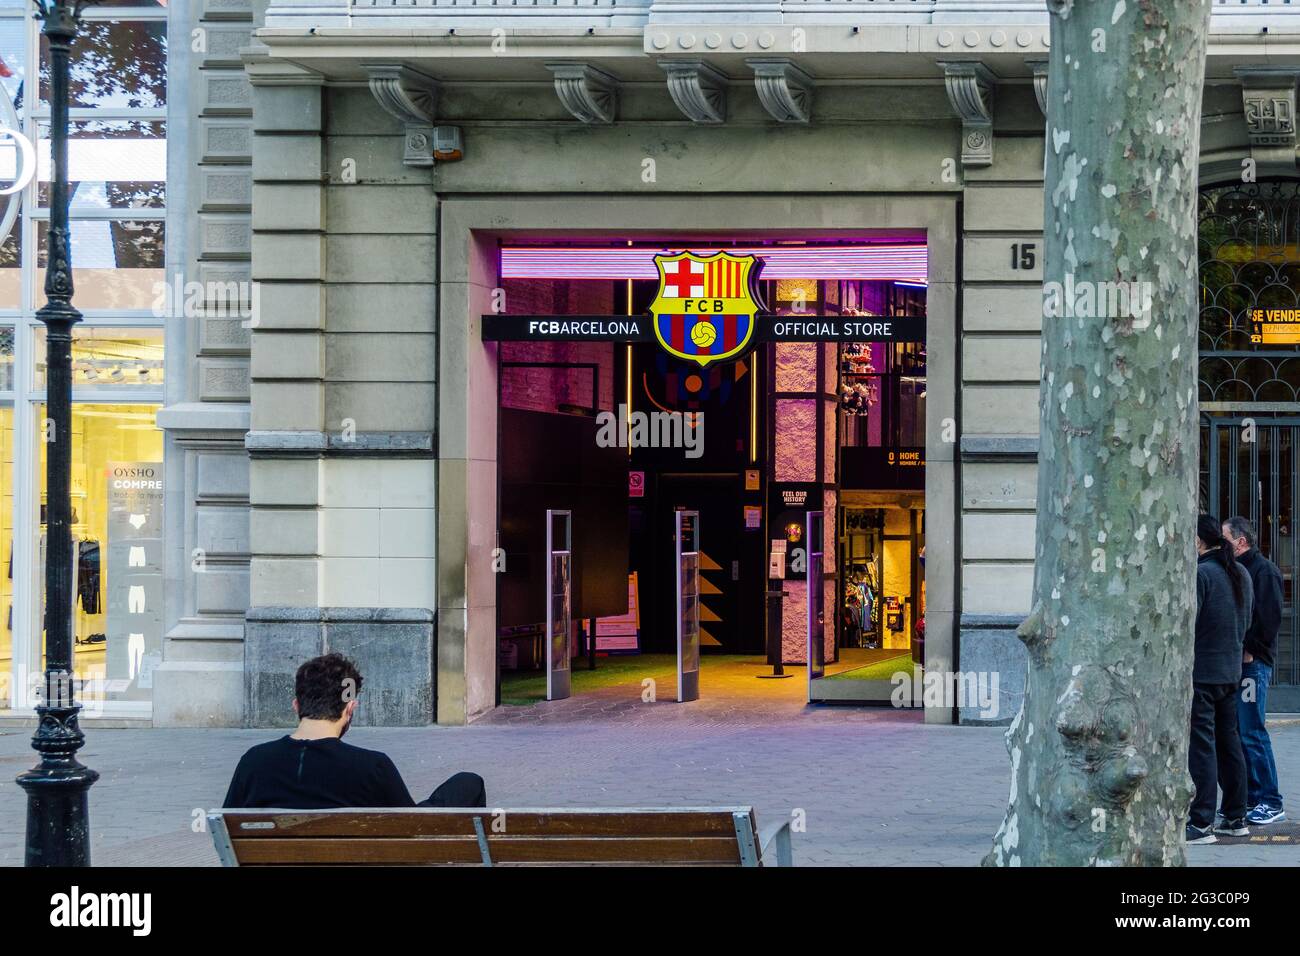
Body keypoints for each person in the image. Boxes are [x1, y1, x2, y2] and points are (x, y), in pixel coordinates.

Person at [223, 652, 486, 809]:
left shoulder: (254, 762)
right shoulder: (372, 766)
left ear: (296, 705)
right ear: (350, 709)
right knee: (468, 782)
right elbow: (410, 829)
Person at [1186, 515, 1253, 845]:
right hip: (1231, 673)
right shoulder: (1241, 572)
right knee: (1230, 744)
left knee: (1202, 747)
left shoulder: (1201, 575)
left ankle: (1200, 823)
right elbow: (1246, 621)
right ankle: (1235, 816)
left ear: (1199, 542)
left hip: (1202, 675)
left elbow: (1189, 627)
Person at [1223, 516, 1286, 825]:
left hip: (1253, 665)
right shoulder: (1237, 570)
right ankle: (1250, 798)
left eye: (1225, 540)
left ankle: (1270, 800)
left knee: (1252, 731)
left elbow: (1270, 618)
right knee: (1239, 731)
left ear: (1241, 542)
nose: (1222, 545)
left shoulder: (1264, 571)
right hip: (1239, 664)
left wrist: (1250, 650)